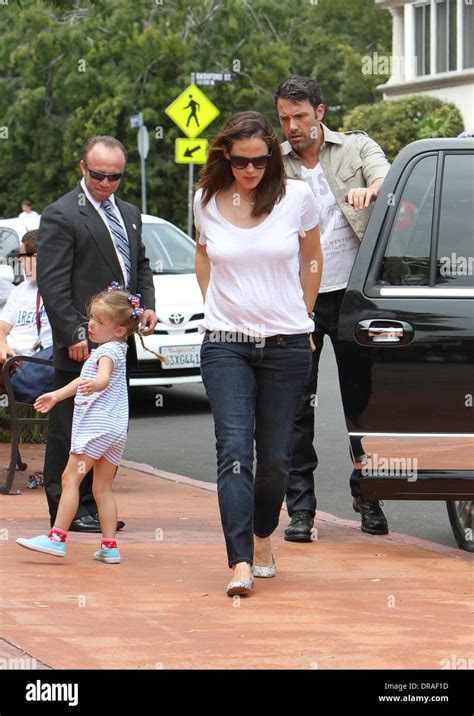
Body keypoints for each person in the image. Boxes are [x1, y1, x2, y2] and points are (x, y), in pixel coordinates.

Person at [194, 111, 323, 596]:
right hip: (225, 344)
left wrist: (305, 316)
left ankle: (263, 531)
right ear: (226, 156)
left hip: (286, 343)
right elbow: (204, 253)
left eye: (262, 161)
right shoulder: (206, 199)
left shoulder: (296, 198)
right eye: (243, 162)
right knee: (233, 449)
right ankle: (240, 560)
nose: (252, 171)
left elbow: (313, 257)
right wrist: (213, 305)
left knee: (274, 458)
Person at [274, 76, 391, 541]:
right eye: (284, 118)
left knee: (363, 404)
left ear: (319, 112)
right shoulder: (274, 162)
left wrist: (372, 190)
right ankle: (301, 508)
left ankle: (370, 497)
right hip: (297, 298)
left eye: (300, 116)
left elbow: (386, 175)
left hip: (354, 295)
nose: (292, 126)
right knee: (297, 405)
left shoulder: (355, 147)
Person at [36, 135, 157, 534]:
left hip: (118, 341)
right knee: (71, 426)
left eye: (115, 177)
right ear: (82, 168)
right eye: (98, 175)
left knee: (105, 424)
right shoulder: (62, 215)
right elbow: (52, 284)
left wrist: (146, 307)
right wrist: (74, 332)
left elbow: (139, 265)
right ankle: (65, 508)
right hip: (80, 342)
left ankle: (92, 502)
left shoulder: (129, 212)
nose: (106, 184)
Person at [16, 286, 164, 562]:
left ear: (119, 329)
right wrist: (57, 395)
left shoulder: (106, 352)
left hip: (95, 429)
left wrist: (97, 385)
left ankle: (57, 538)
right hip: (114, 430)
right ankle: (109, 546)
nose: (90, 325)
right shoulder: (117, 348)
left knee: (69, 479)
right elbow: (83, 380)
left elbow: (101, 378)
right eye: (91, 318)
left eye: (98, 321)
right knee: (102, 488)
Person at [0, 230, 52, 395]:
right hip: (9, 361)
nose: (20, 262)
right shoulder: (19, 291)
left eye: (22, 256)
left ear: (37, 258)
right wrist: (1, 344)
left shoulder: (61, 291)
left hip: (39, 364)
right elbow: (2, 327)